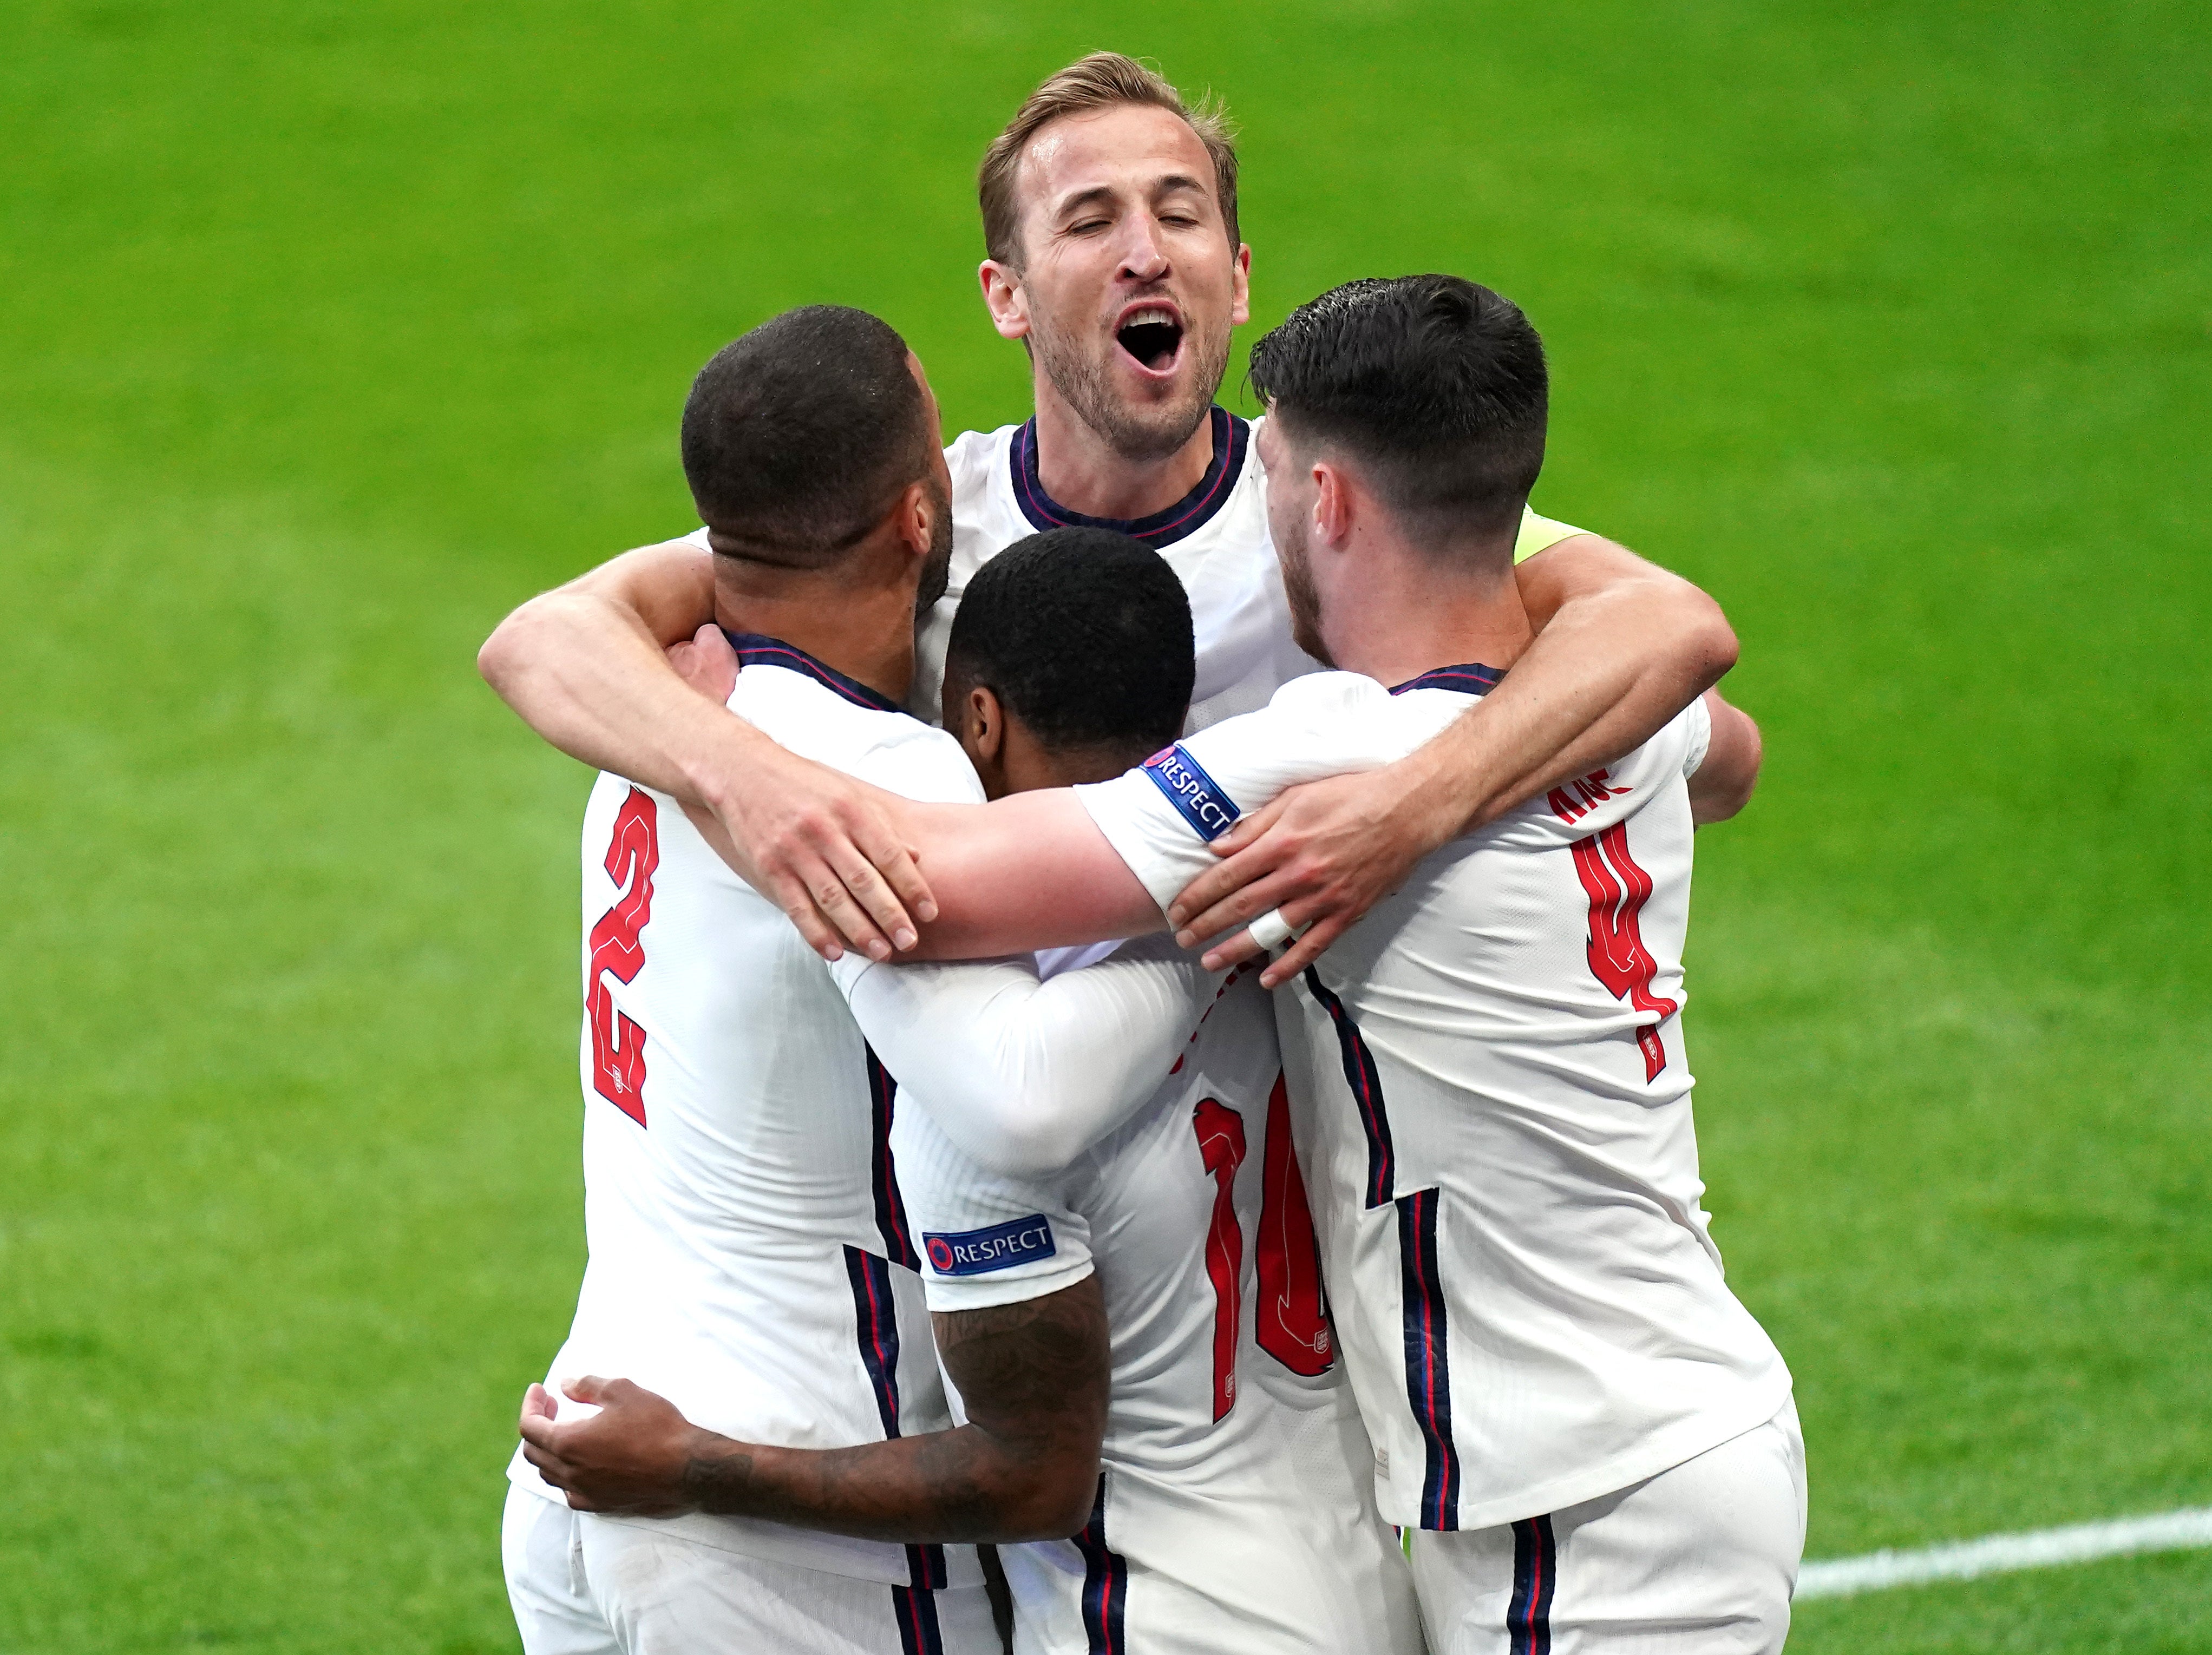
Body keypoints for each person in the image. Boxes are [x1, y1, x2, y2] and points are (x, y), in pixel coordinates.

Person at [651, 274, 1797, 1650]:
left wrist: (728, 745)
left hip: (1581, 1477)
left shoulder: (1319, 761)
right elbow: (1727, 736)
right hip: (1624, 1431)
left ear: (1327, 503)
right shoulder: (1624, 707)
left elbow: (930, 889)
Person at [474, 51, 1744, 991]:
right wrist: (748, 783)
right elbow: (545, 639)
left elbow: (1678, 647)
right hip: (995, 1211)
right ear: (1008, 297)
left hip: (1273, 1258)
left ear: (1237, 280)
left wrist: (1413, 802)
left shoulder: (1337, 524)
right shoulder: (920, 519)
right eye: (1090, 222)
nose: (1147, 251)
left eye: (1181, 214)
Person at [521, 528, 1427, 1655]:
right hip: (1359, 1583)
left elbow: (1028, 1467)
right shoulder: (1296, 911)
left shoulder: (982, 1101)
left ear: (981, 720)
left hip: (1148, 1615)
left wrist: (735, 794)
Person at [500, 304, 1006, 1655]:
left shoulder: (651, 715)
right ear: (915, 517)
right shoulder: (885, 783)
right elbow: (1037, 1079)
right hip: (785, 1493)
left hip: (590, 1440)